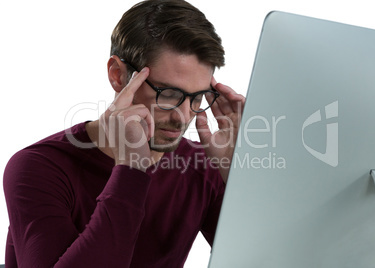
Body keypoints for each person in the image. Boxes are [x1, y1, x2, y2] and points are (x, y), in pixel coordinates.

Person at [3, 0, 245, 267]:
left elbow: (258, 260)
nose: (183, 116)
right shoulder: (38, 168)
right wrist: (131, 168)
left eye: (198, 97)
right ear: (118, 75)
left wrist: (238, 178)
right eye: (169, 94)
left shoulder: (203, 167)